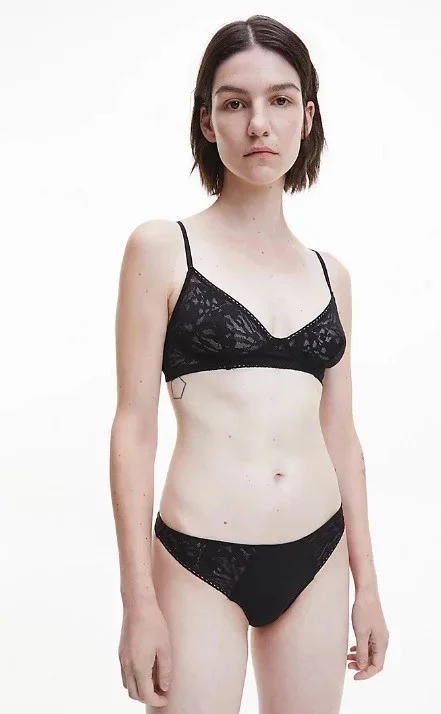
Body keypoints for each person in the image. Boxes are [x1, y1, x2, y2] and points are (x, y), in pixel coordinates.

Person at [110, 14, 389, 714]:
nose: (258, 123)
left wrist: (368, 587)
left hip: (318, 554)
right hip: (199, 559)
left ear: (307, 116)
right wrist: (137, 603)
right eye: (234, 103)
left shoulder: (331, 276)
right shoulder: (161, 250)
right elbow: (134, 429)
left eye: (280, 99)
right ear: (207, 121)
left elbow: (342, 437)